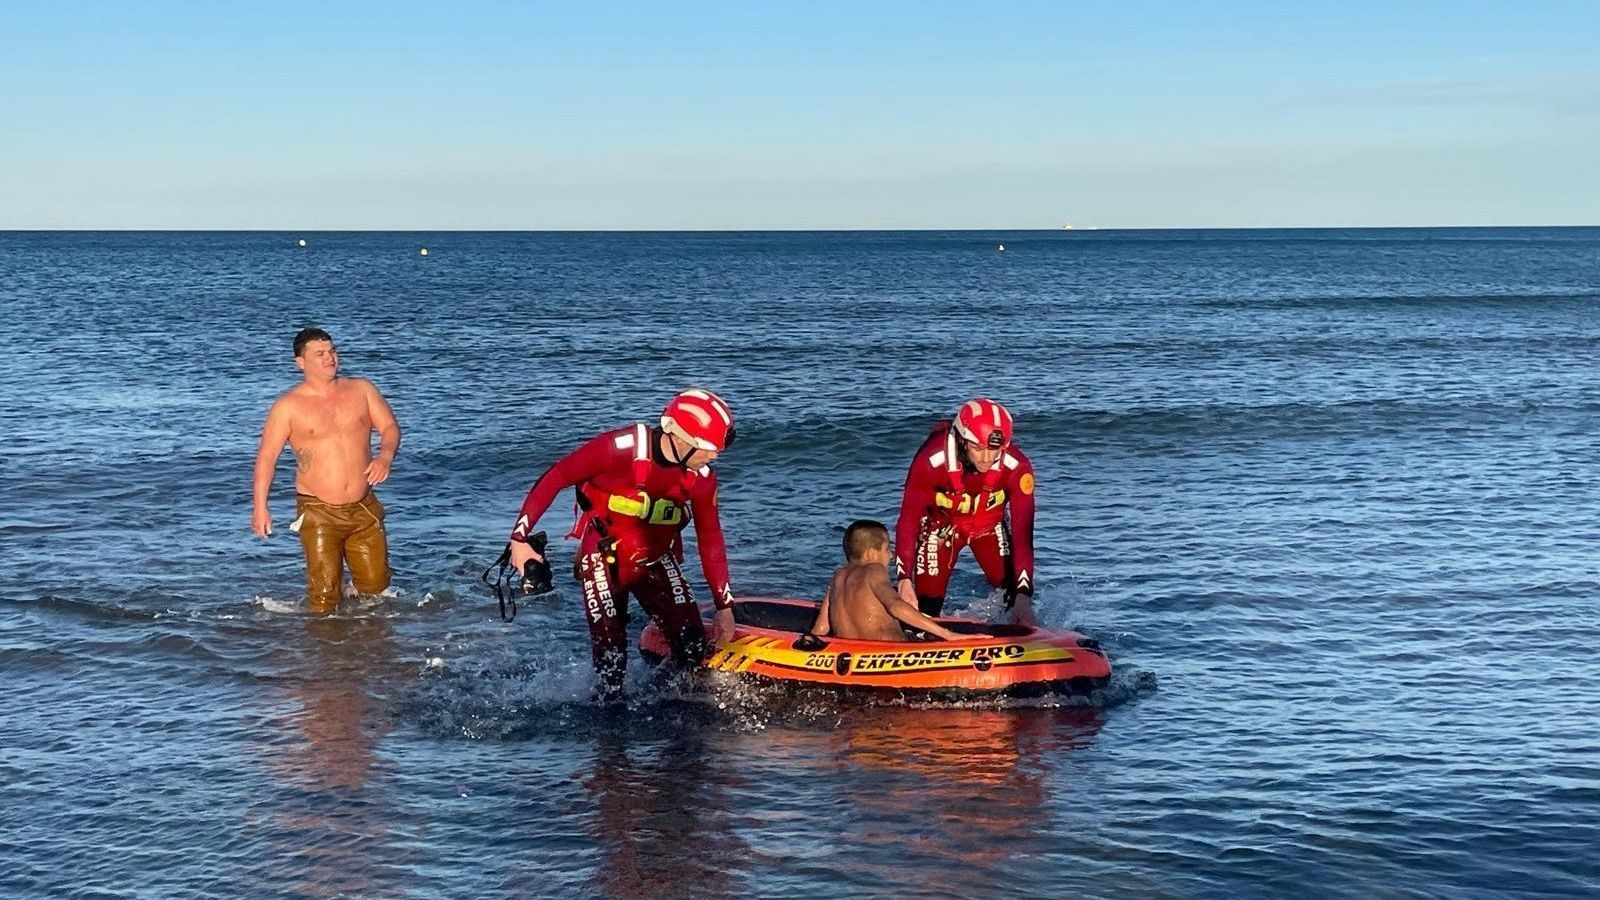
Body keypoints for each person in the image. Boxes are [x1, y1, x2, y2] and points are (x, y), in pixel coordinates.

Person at [506, 389, 738, 701]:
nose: (713, 457)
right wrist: (520, 539)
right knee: (611, 664)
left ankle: (655, 700)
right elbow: (557, 476)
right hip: (604, 557)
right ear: (680, 437)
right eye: (708, 449)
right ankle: (607, 720)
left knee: (693, 646)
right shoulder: (619, 448)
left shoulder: (702, 478)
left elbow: (711, 538)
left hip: (654, 558)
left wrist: (724, 606)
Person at [252, 328, 401, 614]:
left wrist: (385, 456)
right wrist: (261, 508)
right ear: (301, 363)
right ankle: (323, 638)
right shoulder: (288, 406)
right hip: (318, 510)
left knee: (376, 588)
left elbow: (389, 426)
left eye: (332, 351)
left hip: (364, 507)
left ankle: (364, 632)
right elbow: (267, 458)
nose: (330, 358)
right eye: (320, 354)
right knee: (323, 598)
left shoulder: (361, 389)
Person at [894, 398, 1038, 626]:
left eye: (995, 449)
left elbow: (1023, 534)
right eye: (978, 448)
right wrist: (904, 581)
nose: (987, 458)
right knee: (925, 610)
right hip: (940, 529)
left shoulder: (1017, 466)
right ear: (962, 441)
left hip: (990, 527)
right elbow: (908, 521)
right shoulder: (930, 461)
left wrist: (1024, 594)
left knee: (1015, 600)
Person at [810, 520, 959, 642]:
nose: (891, 555)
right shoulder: (874, 570)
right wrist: (947, 634)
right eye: (887, 549)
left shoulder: (838, 577)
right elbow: (895, 605)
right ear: (871, 553)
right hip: (887, 652)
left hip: (852, 653)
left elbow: (821, 628)